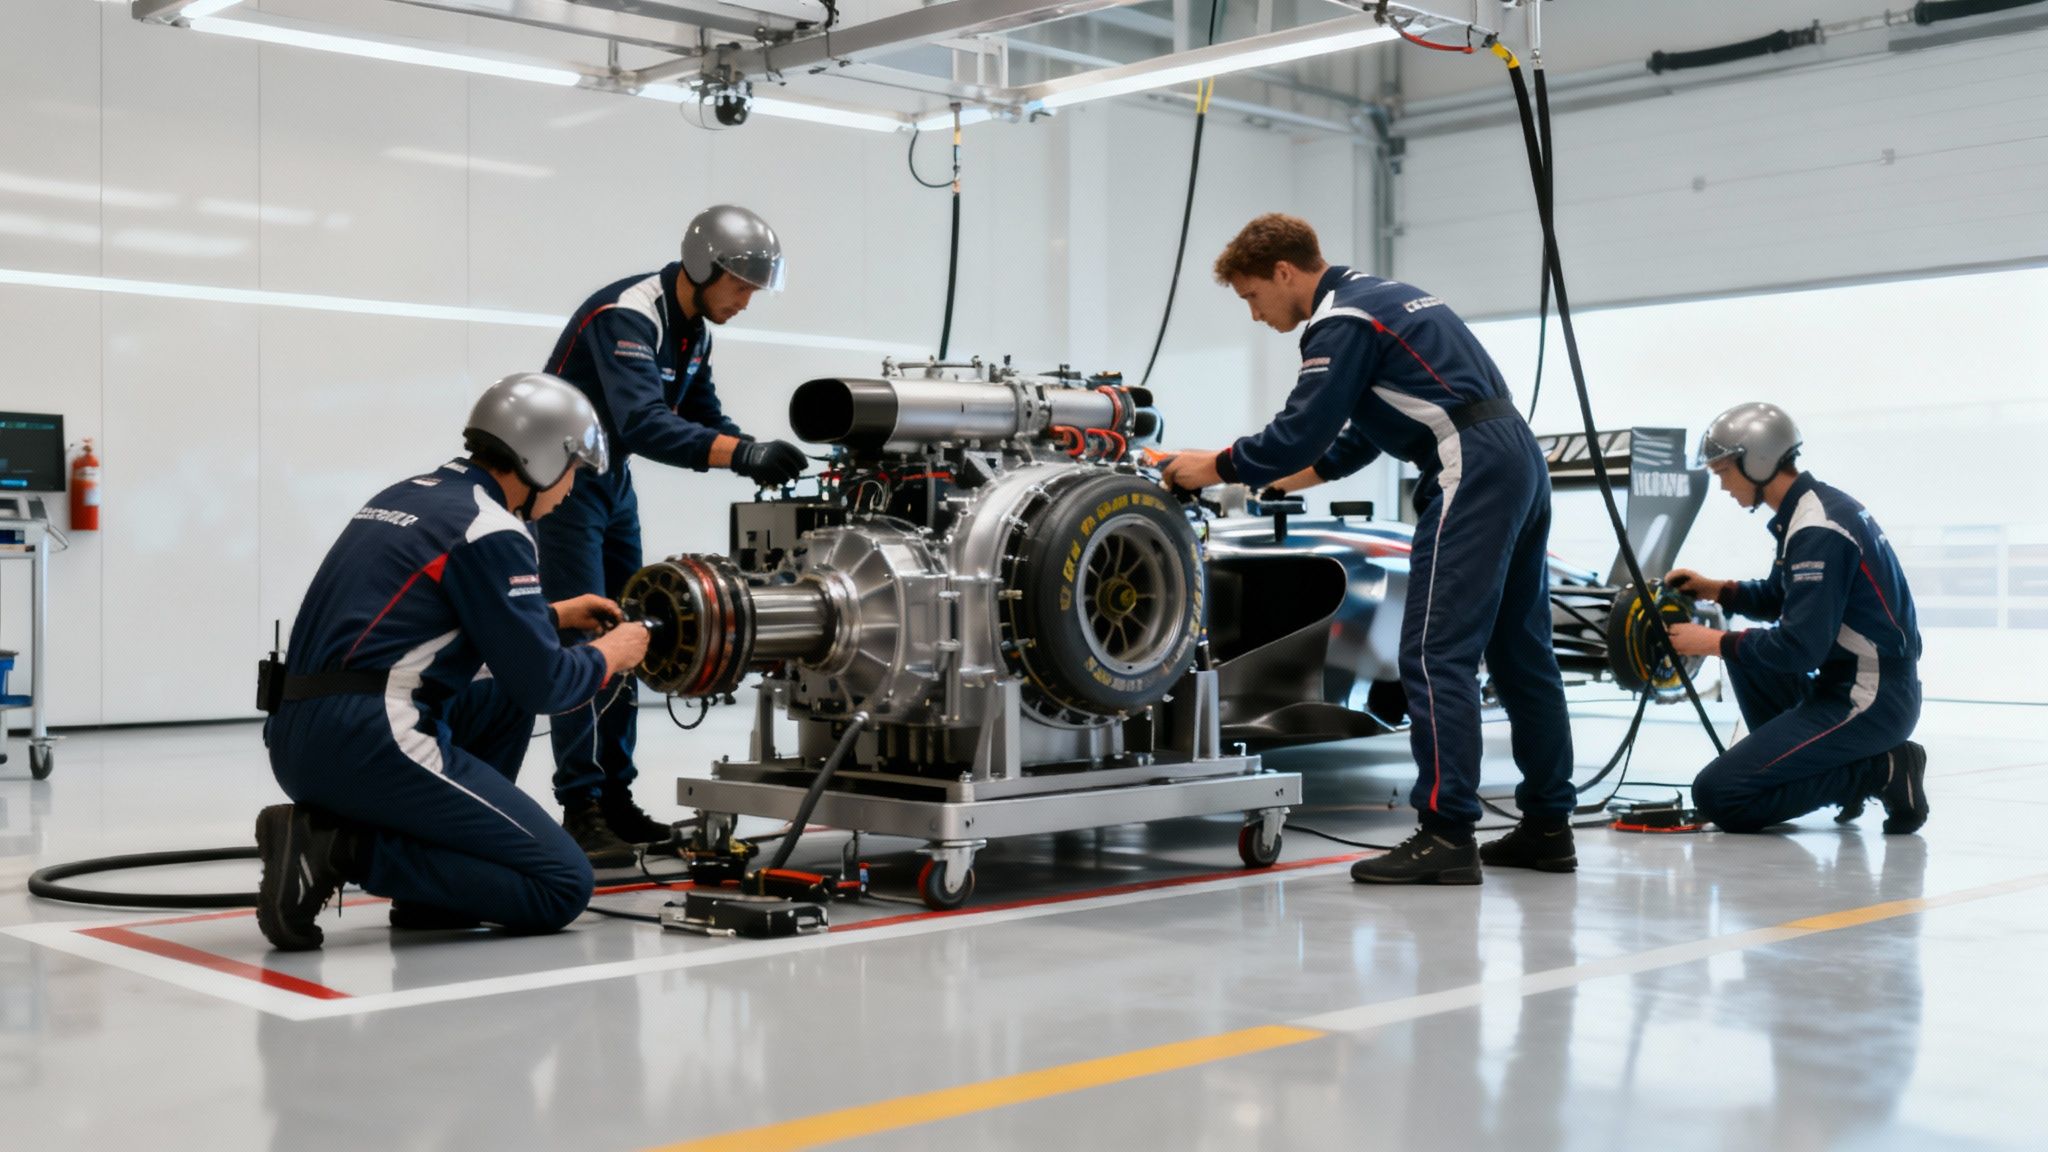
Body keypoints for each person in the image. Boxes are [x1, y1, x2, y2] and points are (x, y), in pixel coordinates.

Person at [1161, 212, 1575, 884]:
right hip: (1515, 458)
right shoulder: (1386, 297)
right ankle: (1549, 829)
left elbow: (1298, 433)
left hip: (1467, 464)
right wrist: (1264, 483)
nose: (1255, 313)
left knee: (1434, 653)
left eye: (1251, 296)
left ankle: (1446, 834)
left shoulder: (1339, 321)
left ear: (1284, 272)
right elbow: (1351, 441)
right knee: (1521, 655)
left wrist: (1207, 466)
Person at [255, 373, 652, 951]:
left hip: (302, 731)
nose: (571, 490)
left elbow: (442, 616)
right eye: (573, 472)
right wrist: (609, 654)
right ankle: (338, 849)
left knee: (501, 700)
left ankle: (434, 892)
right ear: (541, 457)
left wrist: (556, 615)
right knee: (561, 886)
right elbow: (547, 684)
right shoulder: (495, 530)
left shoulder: (410, 495)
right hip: (369, 736)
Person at [539, 205, 808, 864]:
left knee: (633, 631)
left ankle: (617, 799)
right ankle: (581, 805)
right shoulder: (627, 316)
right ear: (702, 267)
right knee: (585, 636)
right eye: (740, 287)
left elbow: (700, 412)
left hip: (612, 486)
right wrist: (740, 456)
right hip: (562, 485)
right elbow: (643, 422)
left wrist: (754, 448)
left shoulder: (694, 330)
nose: (745, 302)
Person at [1664, 402, 1927, 833]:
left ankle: (1879, 771)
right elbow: (1782, 598)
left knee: (1719, 795)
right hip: (1851, 685)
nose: (1724, 486)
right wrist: (1715, 589)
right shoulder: (1811, 510)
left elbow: (1800, 648)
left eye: (1724, 472)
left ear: (1758, 460)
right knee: (1745, 656)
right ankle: (1839, 765)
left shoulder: (1817, 529)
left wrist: (1709, 642)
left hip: (1870, 698)